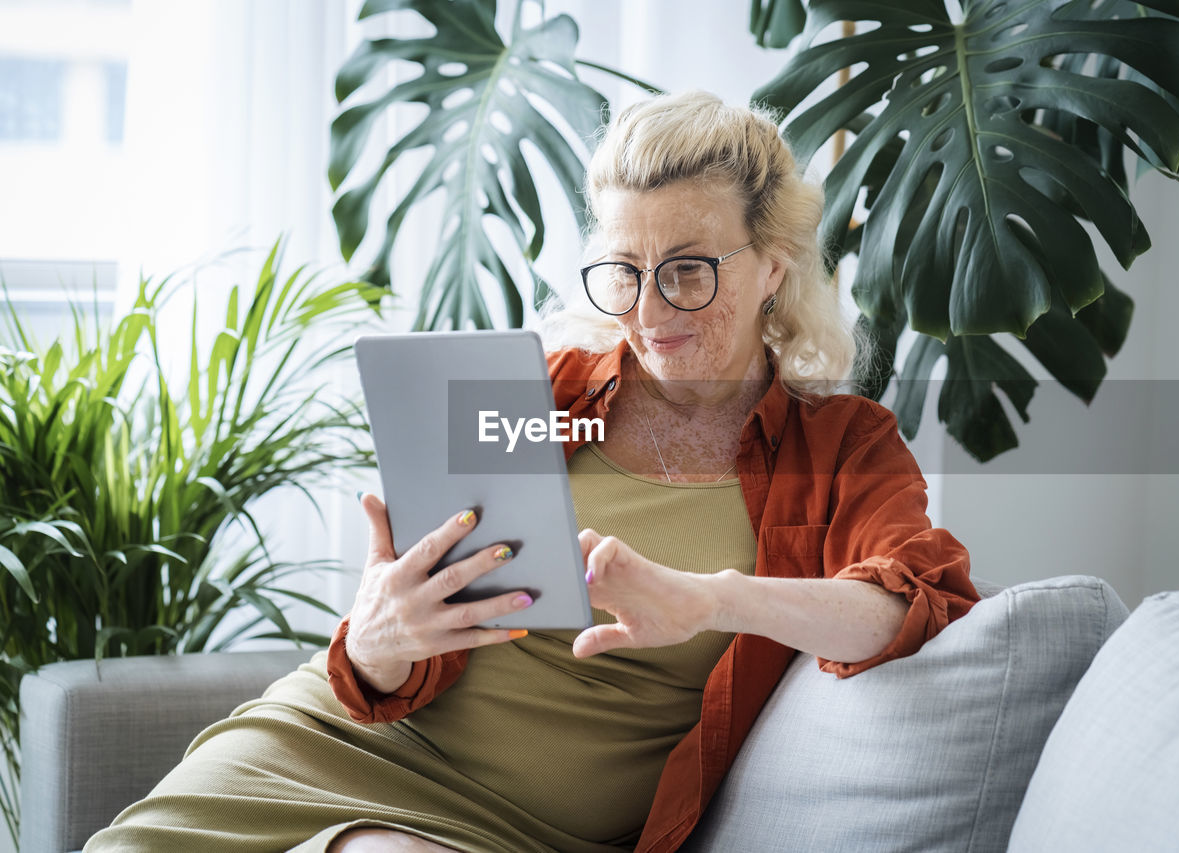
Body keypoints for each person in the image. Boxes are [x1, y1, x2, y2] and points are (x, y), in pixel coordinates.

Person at [86, 90, 979, 853]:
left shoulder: (841, 446)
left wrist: (715, 599)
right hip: (340, 742)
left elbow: (918, 604)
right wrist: (375, 637)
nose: (651, 309)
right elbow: (392, 663)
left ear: (773, 267)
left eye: (690, 271)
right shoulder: (535, 394)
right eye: (623, 272)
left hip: (521, 829)